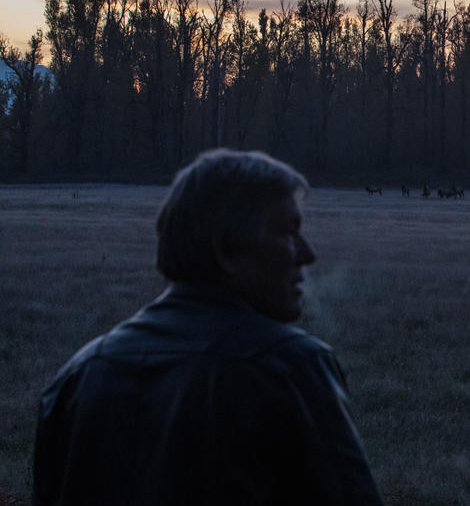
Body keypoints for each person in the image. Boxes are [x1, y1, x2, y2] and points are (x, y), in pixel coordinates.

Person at [33, 148, 383, 505]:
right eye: (289, 232)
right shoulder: (291, 370)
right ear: (226, 251)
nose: (308, 254)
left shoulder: (78, 376)